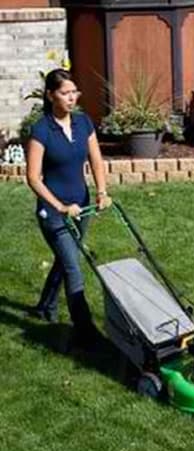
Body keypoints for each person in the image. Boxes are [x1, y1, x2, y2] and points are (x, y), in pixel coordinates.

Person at [26, 68, 112, 347]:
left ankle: (45, 306)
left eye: (74, 92)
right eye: (65, 93)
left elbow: (96, 161)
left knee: (67, 260)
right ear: (51, 96)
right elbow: (33, 178)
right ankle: (85, 330)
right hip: (53, 212)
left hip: (82, 206)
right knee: (74, 267)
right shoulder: (41, 130)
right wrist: (60, 207)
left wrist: (101, 192)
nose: (72, 97)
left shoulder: (83, 122)